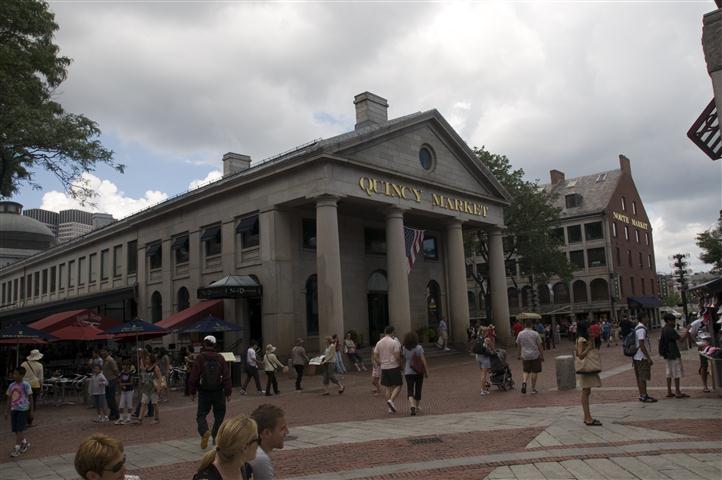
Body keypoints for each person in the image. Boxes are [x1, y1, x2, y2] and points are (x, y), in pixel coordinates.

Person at [189, 335, 232, 449]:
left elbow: (194, 377)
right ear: (215, 345)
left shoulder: (200, 358)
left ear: (204, 344)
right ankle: (214, 435)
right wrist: (228, 392)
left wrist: (192, 391)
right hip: (218, 391)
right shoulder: (220, 358)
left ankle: (204, 432)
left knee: (201, 415)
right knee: (220, 413)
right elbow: (226, 377)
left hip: (204, 392)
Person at [193, 415, 257, 480]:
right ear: (245, 448)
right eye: (257, 440)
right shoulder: (207, 477)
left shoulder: (246, 469)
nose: (258, 444)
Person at [249, 404, 288, 479]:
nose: (287, 432)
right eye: (282, 428)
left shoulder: (255, 452)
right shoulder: (260, 458)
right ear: (266, 433)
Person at [575, 321, 602, 426]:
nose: (590, 329)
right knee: (585, 392)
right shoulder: (581, 340)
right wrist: (589, 348)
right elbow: (580, 355)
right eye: (588, 328)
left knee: (587, 391)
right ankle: (587, 417)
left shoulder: (583, 339)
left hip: (588, 368)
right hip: (586, 368)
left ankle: (587, 417)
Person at [373, 325, 403, 413]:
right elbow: (397, 356)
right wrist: (401, 365)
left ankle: (390, 408)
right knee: (398, 385)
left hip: (384, 367)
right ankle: (391, 400)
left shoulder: (379, 342)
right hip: (393, 366)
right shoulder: (394, 342)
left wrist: (380, 362)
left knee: (388, 387)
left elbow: (375, 355)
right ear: (392, 332)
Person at [660, 313, 689, 398]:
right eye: (673, 320)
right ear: (668, 321)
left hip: (667, 353)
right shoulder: (670, 330)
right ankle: (677, 391)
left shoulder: (664, 329)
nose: (674, 322)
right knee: (676, 372)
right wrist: (688, 331)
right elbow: (681, 340)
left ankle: (669, 391)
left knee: (669, 373)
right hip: (673, 353)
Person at [5, 366, 32, 457]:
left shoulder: (26, 385)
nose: (14, 375)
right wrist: (7, 411)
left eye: (16, 374)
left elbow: (30, 397)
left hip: (23, 409)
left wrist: (31, 411)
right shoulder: (11, 385)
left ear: (22, 375)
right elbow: (9, 398)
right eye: (14, 374)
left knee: (20, 429)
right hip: (14, 409)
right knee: (16, 429)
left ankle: (17, 447)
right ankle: (24, 442)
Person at [402, 331, 428, 415]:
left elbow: (404, 358)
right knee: (418, 388)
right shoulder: (419, 348)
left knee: (410, 389)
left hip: (408, 371)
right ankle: (416, 407)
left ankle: (412, 405)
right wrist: (426, 371)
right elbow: (423, 360)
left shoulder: (404, 348)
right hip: (418, 371)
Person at [633, 312, 657, 403]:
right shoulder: (641, 330)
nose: (649, 318)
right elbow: (642, 345)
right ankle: (644, 395)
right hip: (641, 357)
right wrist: (648, 358)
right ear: (643, 318)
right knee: (642, 377)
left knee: (640, 377)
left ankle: (642, 394)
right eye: (647, 317)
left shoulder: (637, 327)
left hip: (636, 356)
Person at [516, 318, 544, 394]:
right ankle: (533, 389)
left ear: (525, 325)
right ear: (532, 325)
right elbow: (540, 346)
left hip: (525, 355)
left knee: (526, 371)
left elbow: (518, 345)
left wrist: (518, 355)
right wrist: (542, 355)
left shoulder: (520, 334)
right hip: (535, 355)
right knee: (534, 372)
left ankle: (524, 382)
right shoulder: (535, 333)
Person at [133, 353, 161, 424]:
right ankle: (140, 419)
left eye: (148, 359)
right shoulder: (146, 367)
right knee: (143, 403)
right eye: (146, 359)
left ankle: (156, 418)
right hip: (146, 388)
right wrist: (141, 359)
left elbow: (159, 378)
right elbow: (142, 370)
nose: (146, 360)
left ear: (151, 359)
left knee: (155, 404)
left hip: (153, 388)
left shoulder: (156, 367)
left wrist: (158, 387)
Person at [688, 313, 711, 393]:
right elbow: (691, 333)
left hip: (714, 344)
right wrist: (697, 343)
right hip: (703, 346)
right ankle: (705, 386)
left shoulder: (713, 320)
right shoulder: (696, 323)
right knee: (704, 365)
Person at [20, 349, 43, 416]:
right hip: (35, 385)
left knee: (23, 400)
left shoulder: (23, 364)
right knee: (33, 401)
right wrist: (41, 388)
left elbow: (20, 374)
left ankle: (24, 414)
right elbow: (41, 378)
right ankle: (30, 416)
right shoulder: (40, 365)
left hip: (24, 384)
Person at [100, 349, 120, 421]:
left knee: (111, 398)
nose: (102, 353)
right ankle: (113, 412)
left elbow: (115, 370)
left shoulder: (110, 360)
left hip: (111, 380)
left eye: (104, 352)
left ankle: (115, 413)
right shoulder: (104, 361)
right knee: (108, 398)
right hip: (106, 381)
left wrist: (118, 379)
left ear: (107, 353)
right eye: (101, 352)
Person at [116, 360, 134, 424]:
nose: (123, 366)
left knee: (129, 404)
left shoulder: (130, 373)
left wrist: (124, 384)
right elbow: (119, 380)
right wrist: (120, 384)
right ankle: (121, 418)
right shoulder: (121, 373)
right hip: (123, 391)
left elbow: (131, 383)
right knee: (121, 404)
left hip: (129, 391)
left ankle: (128, 418)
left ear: (128, 366)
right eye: (123, 365)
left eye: (125, 365)